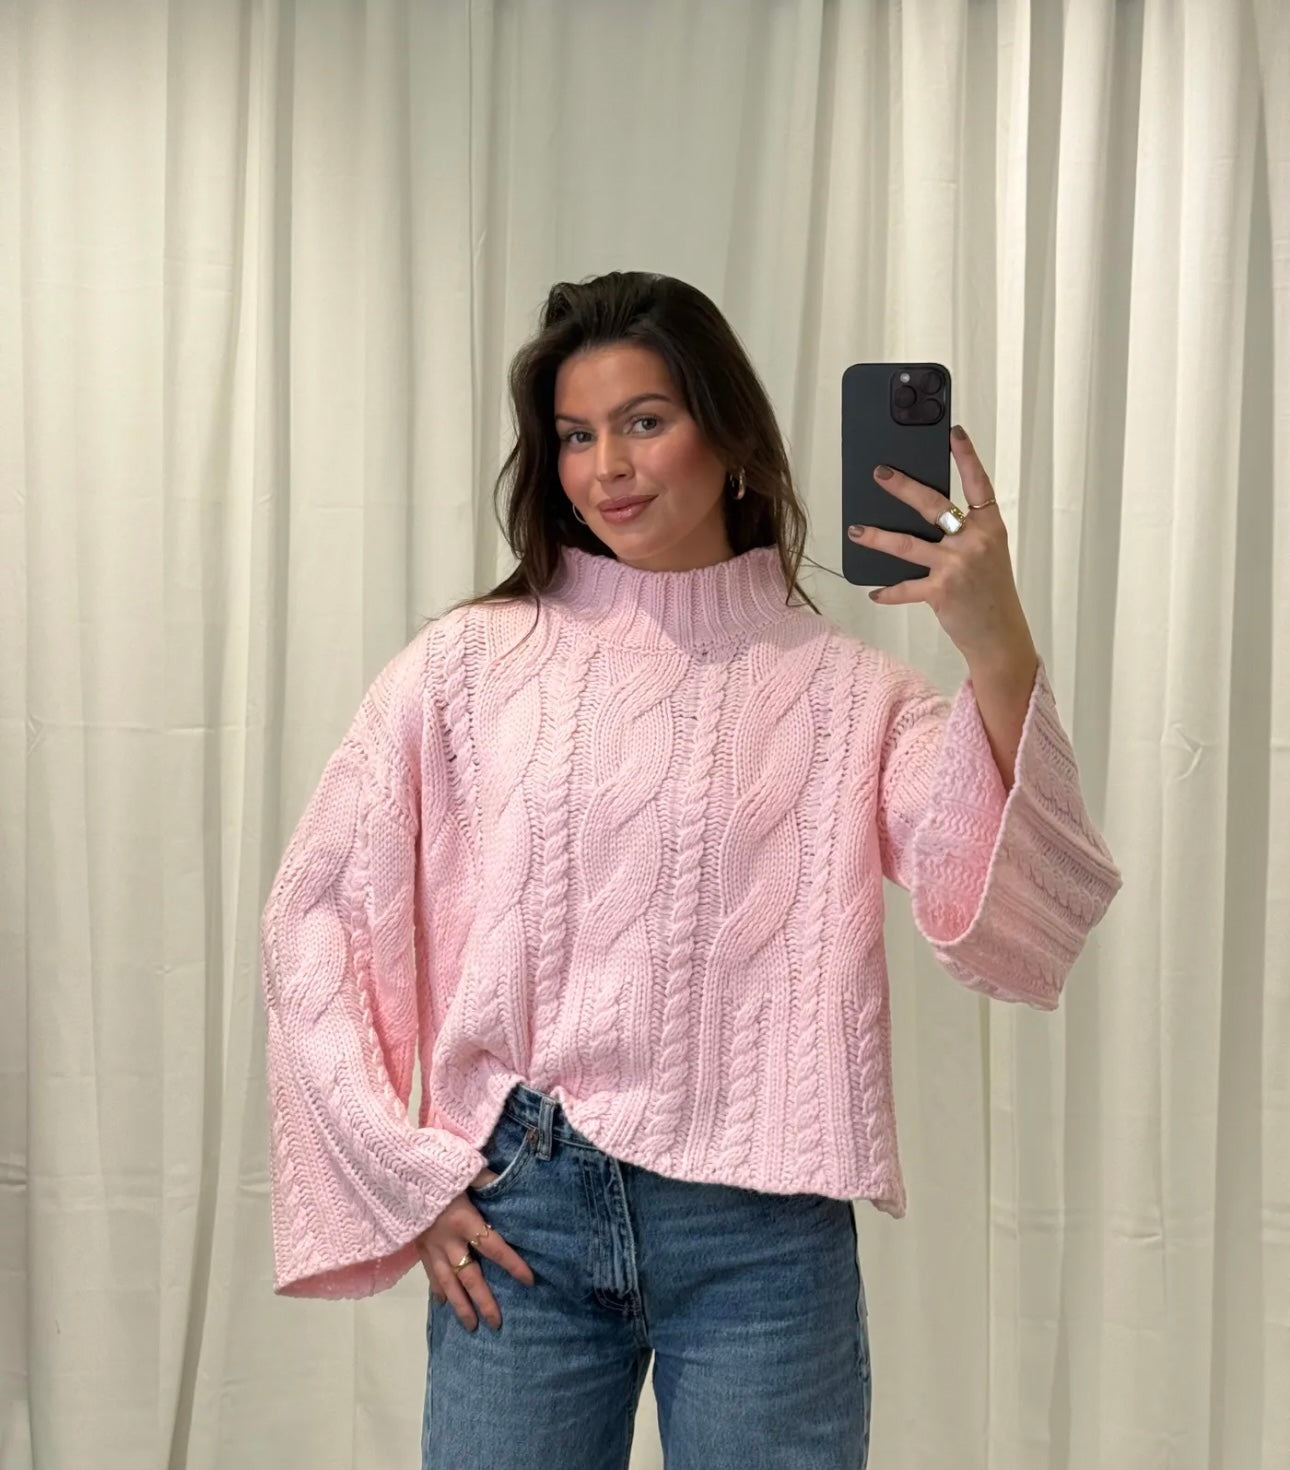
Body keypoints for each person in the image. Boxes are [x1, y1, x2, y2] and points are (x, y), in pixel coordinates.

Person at [259, 271, 1122, 1470]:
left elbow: (1018, 913)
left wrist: (999, 644)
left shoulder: (850, 697)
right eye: (575, 435)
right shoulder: (467, 666)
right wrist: (404, 1175)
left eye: (645, 421)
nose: (606, 466)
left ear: (729, 436)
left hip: (762, 1239)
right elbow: (315, 915)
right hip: (523, 1213)